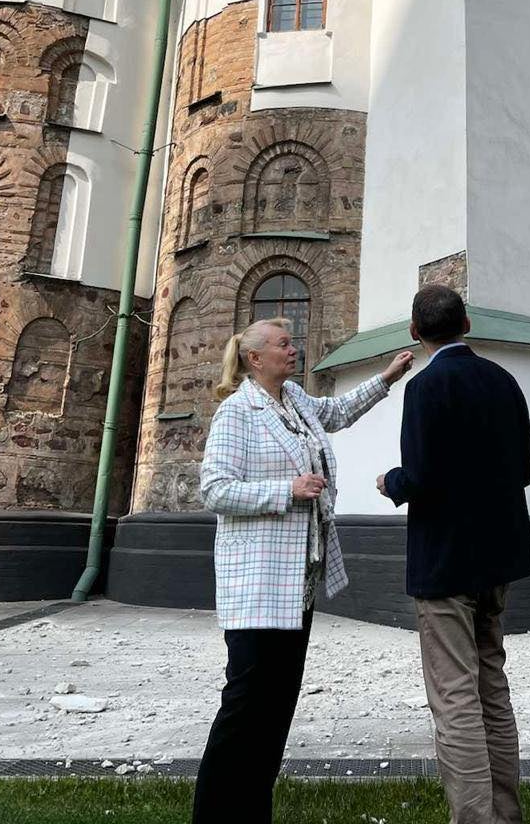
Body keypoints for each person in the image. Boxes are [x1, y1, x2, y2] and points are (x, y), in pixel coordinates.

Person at [193, 316, 413, 824]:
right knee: (245, 705)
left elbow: (337, 411)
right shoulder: (237, 412)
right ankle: (214, 814)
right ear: (254, 358)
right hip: (257, 582)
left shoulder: (294, 399)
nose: (293, 350)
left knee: (276, 708)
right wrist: (286, 491)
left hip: (297, 584)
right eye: (283, 344)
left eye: (292, 342)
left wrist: (386, 378)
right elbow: (215, 490)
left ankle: (253, 812)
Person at [378, 285, 530, 824]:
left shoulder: (424, 387)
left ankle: (474, 818)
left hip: (445, 561)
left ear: (414, 332)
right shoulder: (503, 380)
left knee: (454, 696)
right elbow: (523, 472)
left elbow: (420, 476)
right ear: (466, 323)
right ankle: (505, 813)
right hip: (499, 556)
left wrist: (390, 481)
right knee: (492, 684)